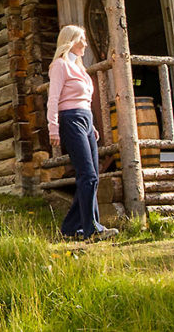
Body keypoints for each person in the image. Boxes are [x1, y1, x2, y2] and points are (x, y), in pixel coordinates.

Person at [47, 25, 118, 242]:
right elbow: (53, 98)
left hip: (85, 120)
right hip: (70, 120)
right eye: (82, 39)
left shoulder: (78, 67)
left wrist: (92, 126)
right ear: (71, 41)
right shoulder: (59, 66)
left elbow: (85, 101)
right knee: (87, 175)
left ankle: (70, 228)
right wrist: (53, 127)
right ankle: (92, 229)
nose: (86, 43)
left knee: (92, 175)